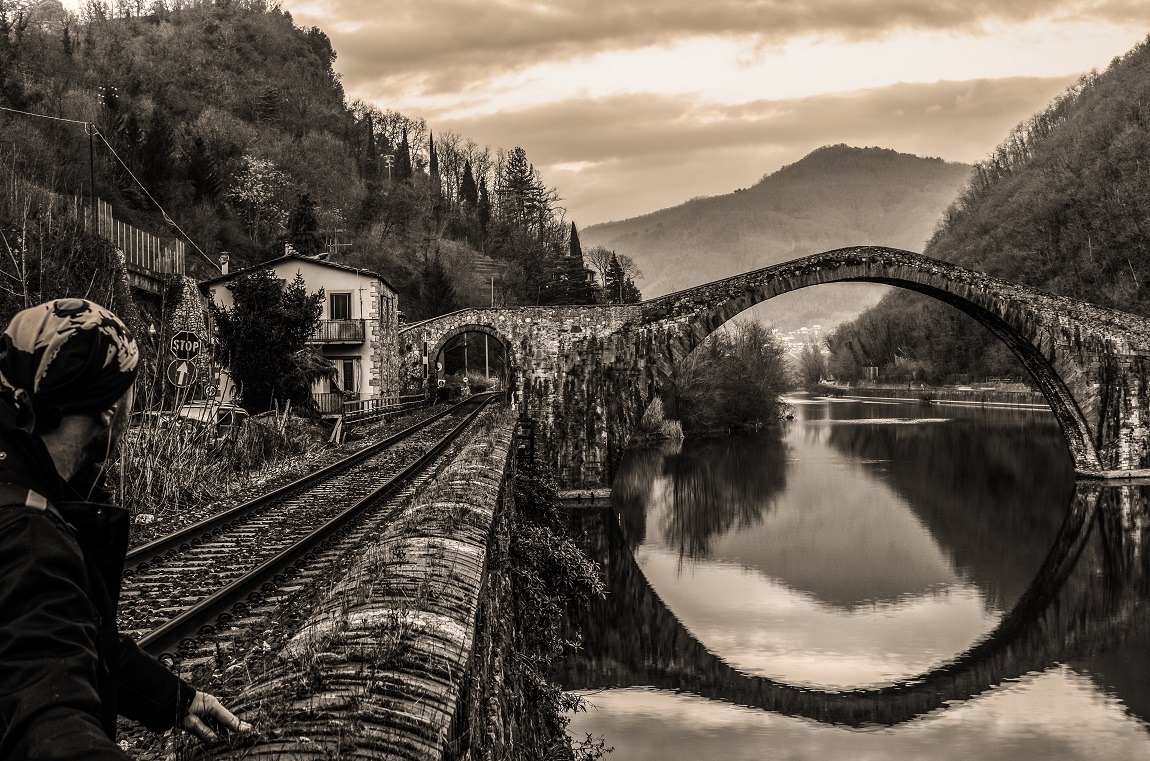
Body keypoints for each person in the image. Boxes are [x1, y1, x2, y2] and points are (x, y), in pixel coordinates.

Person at [0, 299, 249, 760]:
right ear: (110, 410)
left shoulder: (23, 487)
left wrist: (175, 698)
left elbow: (75, 638)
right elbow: (49, 716)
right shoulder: (29, 538)